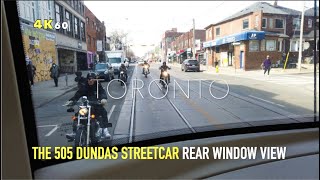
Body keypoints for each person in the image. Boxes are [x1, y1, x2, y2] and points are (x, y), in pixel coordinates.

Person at [65, 72, 111, 141]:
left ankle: (105, 130)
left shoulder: (98, 86)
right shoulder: (84, 86)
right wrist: (72, 101)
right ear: (87, 79)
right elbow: (78, 94)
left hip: (96, 104)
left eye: (92, 79)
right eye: (89, 79)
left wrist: (103, 99)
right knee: (77, 115)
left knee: (103, 112)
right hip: (86, 105)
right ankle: (75, 132)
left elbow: (102, 92)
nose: (90, 80)